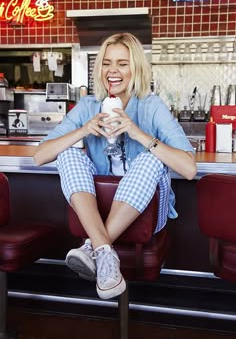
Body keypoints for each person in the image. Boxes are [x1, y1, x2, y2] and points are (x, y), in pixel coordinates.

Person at [34, 32, 197, 300]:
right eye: (107, 63)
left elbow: (189, 169)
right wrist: (83, 130)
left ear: (136, 68)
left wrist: (138, 133)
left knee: (151, 156)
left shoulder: (151, 106)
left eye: (122, 63)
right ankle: (105, 254)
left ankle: (93, 247)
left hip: (146, 214)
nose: (113, 71)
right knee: (68, 153)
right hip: (101, 209)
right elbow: (40, 156)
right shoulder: (89, 106)